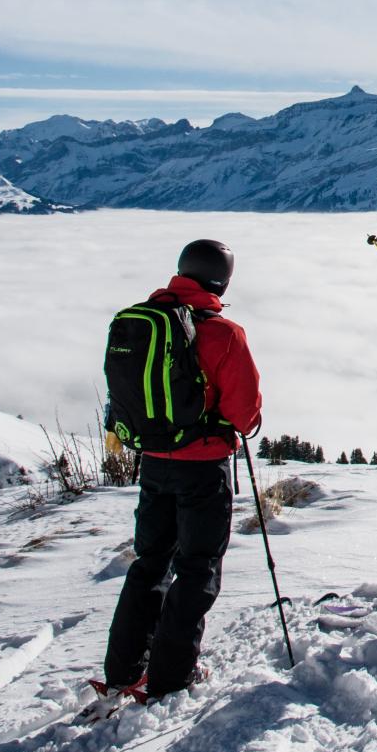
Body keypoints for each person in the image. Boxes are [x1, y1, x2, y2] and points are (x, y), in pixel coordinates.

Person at [100, 238, 262, 700]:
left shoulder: (140, 321)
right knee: (196, 569)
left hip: (152, 463)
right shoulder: (222, 333)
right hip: (203, 467)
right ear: (222, 279)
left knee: (150, 564)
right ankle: (171, 677)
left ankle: (123, 669)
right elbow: (244, 412)